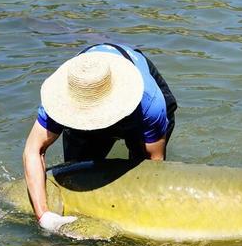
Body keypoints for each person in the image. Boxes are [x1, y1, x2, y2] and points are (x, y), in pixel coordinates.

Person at [23, 43, 177, 232]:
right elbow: (33, 150)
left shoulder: (149, 102)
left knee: (140, 176)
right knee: (78, 177)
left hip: (136, 103)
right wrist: (43, 215)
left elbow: (154, 166)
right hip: (84, 89)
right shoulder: (60, 99)